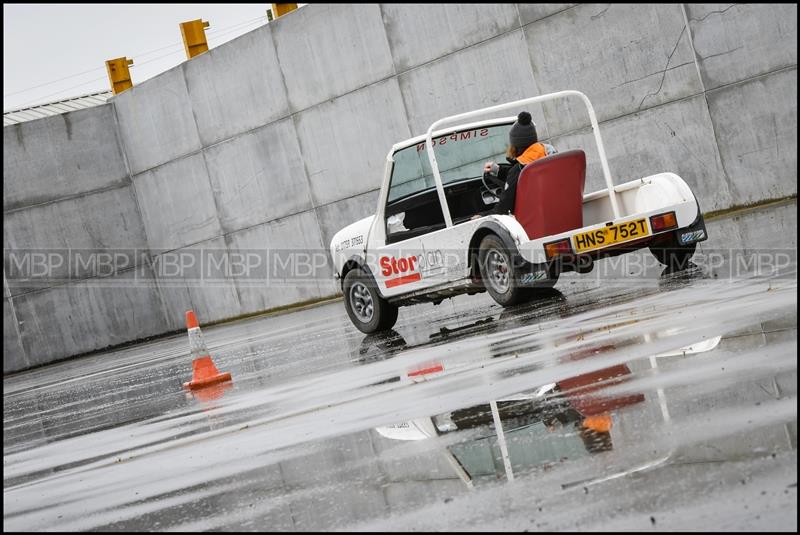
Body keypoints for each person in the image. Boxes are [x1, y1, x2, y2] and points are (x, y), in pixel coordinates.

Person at [475, 111, 557, 218]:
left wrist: (481, 216)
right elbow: (519, 174)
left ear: (516, 145)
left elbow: (503, 210)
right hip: (560, 213)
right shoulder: (552, 157)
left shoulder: (519, 169)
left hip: (535, 221)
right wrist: (498, 170)